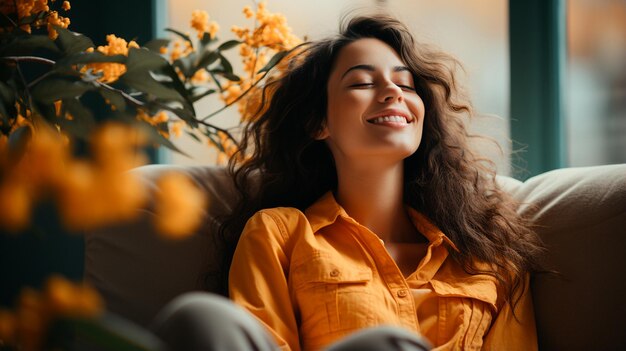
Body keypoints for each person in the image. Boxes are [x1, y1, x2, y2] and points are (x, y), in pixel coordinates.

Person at [151, 13, 545, 351]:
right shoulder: (280, 233)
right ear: (317, 123)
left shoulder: (489, 256)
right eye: (361, 83)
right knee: (199, 317)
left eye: (406, 84)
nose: (392, 91)